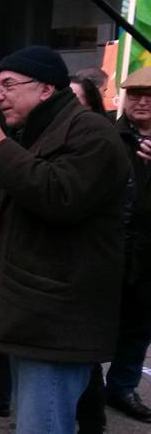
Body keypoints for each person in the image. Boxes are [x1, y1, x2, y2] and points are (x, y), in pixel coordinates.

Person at [0, 45, 130, 434]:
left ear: (45, 89)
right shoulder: (36, 133)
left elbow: (61, 198)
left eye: (8, 85)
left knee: (44, 425)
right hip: (34, 315)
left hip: (57, 320)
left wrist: (2, 150)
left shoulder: (94, 134)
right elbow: (32, 206)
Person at [102, 67, 151, 424]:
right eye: (135, 94)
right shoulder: (107, 135)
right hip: (110, 247)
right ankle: (87, 392)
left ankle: (122, 387)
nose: (142, 102)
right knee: (95, 324)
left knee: (139, 327)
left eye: (150, 96)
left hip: (148, 255)